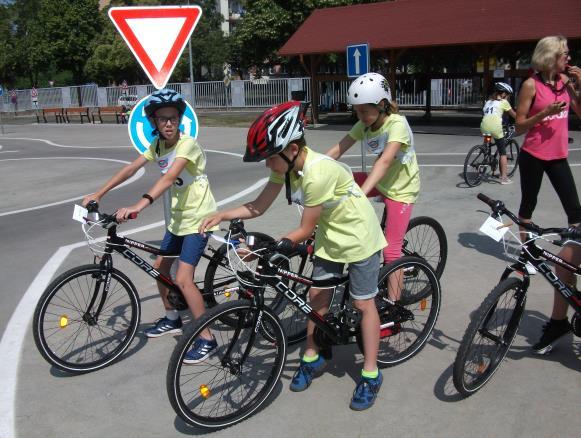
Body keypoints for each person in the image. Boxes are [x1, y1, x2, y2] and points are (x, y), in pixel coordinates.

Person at [199, 101, 387, 411]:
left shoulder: (317, 173)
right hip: (331, 236)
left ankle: (370, 373)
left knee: (362, 303)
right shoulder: (287, 169)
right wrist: (221, 214)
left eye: (270, 158)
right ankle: (312, 357)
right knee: (317, 299)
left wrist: (273, 249)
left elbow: (304, 229)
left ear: (293, 149)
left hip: (359, 238)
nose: (267, 165)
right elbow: (258, 207)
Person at [82, 88, 219, 363]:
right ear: (154, 122)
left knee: (182, 278)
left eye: (172, 118)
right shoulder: (157, 146)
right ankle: (172, 318)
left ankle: (207, 338)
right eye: (162, 119)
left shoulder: (187, 145)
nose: (168, 123)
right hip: (179, 219)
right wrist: (99, 193)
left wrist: (138, 206)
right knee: (160, 269)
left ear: (179, 119)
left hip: (199, 218)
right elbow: (130, 169)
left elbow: (169, 178)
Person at [515, 35, 581, 354]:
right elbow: (518, 127)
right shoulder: (531, 85)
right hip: (533, 155)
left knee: (576, 213)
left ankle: (567, 268)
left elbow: (579, 112)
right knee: (528, 207)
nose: (567, 59)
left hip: (557, 157)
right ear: (549, 56)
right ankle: (525, 253)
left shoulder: (566, 81)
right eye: (563, 55)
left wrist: (578, 87)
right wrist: (545, 114)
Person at [326, 73, 420, 272]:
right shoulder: (364, 125)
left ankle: (395, 301)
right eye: (357, 111)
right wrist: (313, 168)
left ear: (382, 104)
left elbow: (385, 161)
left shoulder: (397, 124)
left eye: (364, 111)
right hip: (380, 181)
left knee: (391, 252)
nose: (360, 117)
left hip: (401, 191)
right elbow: (338, 149)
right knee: (335, 183)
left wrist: (361, 192)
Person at [480, 82, 517, 184]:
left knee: (488, 142)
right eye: (508, 95)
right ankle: (504, 178)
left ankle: (486, 156)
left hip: (484, 127)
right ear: (504, 94)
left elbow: (486, 114)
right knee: (502, 152)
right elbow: (514, 115)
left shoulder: (488, 102)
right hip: (495, 128)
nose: (508, 97)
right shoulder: (504, 102)